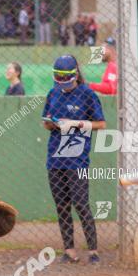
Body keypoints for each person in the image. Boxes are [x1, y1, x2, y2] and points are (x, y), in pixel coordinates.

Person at [42, 55, 106, 265]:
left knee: (81, 204)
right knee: (62, 205)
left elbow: (100, 124)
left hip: (77, 160)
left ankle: (93, 250)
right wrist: (54, 124)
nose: (62, 82)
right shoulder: (53, 93)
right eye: (58, 77)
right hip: (55, 159)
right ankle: (69, 250)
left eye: (65, 77)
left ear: (76, 74)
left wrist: (76, 123)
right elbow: (45, 123)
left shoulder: (87, 94)